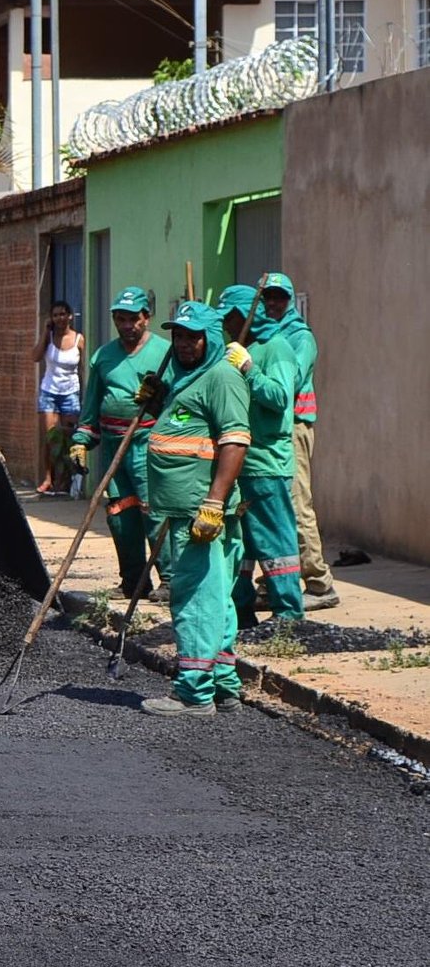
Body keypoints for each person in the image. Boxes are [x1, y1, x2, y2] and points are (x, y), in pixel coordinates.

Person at [138, 300, 251, 716]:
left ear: (212, 338)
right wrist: (156, 401)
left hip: (199, 512)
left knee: (195, 598)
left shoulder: (222, 377)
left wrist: (214, 503)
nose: (184, 344)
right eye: (179, 336)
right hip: (186, 506)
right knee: (216, 597)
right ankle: (223, 683)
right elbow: (184, 426)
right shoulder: (186, 374)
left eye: (194, 336)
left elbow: (234, 442)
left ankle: (193, 691)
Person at [69, 286, 170, 597]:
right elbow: (92, 404)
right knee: (120, 515)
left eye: (132, 319)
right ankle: (133, 582)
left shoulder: (165, 353)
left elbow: (180, 401)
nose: (126, 326)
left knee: (154, 512)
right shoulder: (103, 357)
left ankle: (170, 580)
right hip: (114, 445)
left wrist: (158, 396)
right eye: (120, 319)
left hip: (146, 442)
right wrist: (81, 441)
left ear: (146, 318)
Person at [220, 286, 304, 628]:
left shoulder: (276, 348)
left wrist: (250, 368)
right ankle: (242, 610)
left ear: (247, 315)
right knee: (241, 544)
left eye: (231, 317)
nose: (226, 324)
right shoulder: (239, 349)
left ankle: (288, 612)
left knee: (274, 540)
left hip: (266, 462)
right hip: (238, 461)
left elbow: (280, 397)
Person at [259, 272, 338, 609]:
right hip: (272, 430)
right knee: (276, 505)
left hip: (293, 428)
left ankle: (319, 583)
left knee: (296, 502)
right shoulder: (263, 335)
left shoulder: (299, 337)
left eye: (279, 298)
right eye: (268, 298)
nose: (273, 304)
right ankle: (277, 580)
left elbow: (288, 381)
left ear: (290, 301)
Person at [31, 300, 83, 494]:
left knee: (70, 437)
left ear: (70, 316)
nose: (60, 318)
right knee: (50, 437)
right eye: (55, 315)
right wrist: (45, 333)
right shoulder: (49, 337)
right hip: (49, 392)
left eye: (63, 314)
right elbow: (35, 357)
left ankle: (66, 479)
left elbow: (83, 369)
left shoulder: (79, 339)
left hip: (71, 393)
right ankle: (47, 478)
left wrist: (85, 393)